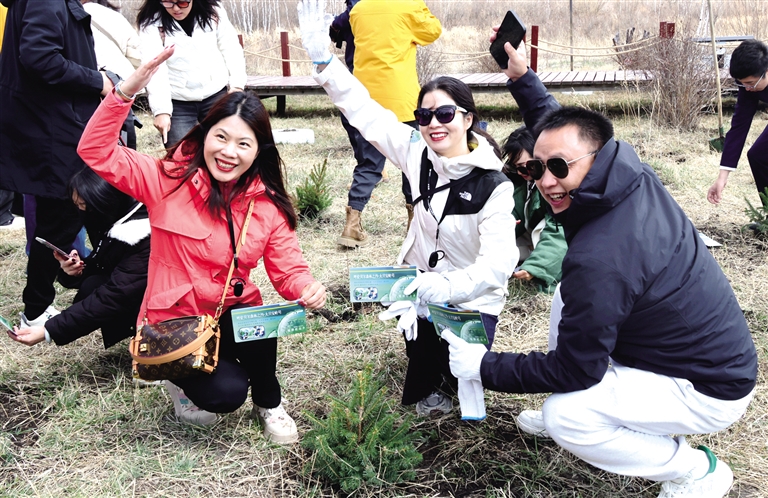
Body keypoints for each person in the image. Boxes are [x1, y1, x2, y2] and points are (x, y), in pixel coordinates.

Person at [442, 37, 758, 498]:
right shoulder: (626, 172)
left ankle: (695, 469)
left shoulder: (601, 255)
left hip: (706, 387)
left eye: (558, 169)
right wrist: (522, 79)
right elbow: (562, 133)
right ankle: (611, 409)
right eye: (536, 169)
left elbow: (576, 369)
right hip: (684, 353)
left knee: (567, 415)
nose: (547, 181)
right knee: (567, 296)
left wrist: (485, 366)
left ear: (594, 159)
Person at [78, 45, 327, 440]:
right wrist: (125, 92)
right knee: (227, 394)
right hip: (174, 321)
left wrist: (306, 288)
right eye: (221, 137)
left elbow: (288, 269)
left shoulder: (266, 205)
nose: (228, 152)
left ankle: (269, 403)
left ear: (258, 151)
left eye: (243, 144)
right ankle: (178, 380)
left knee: (259, 322)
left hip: (228, 309)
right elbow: (95, 150)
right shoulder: (166, 180)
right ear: (204, 134)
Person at [298, 0, 517, 416]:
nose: (434, 123)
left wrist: (445, 288)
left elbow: (497, 265)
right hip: (420, 288)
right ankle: (426, 356)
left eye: (446, 113)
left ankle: (455, 362)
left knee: (461, 373)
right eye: (424, 115)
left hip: (472, 299)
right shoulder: (417, 152)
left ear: (468, 119)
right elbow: (366, 112)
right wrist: (324, 62)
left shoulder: (494, 185)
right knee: (424, 376)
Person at [0, 0, 115, 329]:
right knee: (61, 220)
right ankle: (37, 309)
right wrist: (97, 81)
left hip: (53, 127)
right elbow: (40, 57)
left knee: (64, 218)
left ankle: (62, 297)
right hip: (54, 131)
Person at [328, 0, 442, 247]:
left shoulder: (358, 11)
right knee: (413, 163)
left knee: (369, 164)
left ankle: (352, 224)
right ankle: (414, 222)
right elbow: (433, 31)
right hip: (403, 101)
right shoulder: (408, 6)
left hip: (366, 101)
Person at [8, 168, 150, 350]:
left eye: (83, 205)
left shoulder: (144, 237)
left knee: (97, 290)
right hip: (133, 291)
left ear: (105, 200)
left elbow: (114, 296)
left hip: (172, 307)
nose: (80, 211)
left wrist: (48, 330)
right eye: (77, 205)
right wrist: (77, 271)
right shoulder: (118, 217)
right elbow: (109, 267)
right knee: (91, 284)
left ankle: (157, 341)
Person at [136, 0, 246, 149]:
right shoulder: (151, 23)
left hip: (215, 92)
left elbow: (231, 48)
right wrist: (161, 110)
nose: (176, 8)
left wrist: (237, 86)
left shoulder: (214, 11)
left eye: (182, 2)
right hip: (177, 100)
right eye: (168, 2)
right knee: (179, 154)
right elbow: (155, 67)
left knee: (223, 146)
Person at [501, 126, 566, 292]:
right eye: (516, 167)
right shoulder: (517, 182)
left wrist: (535, 267)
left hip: (554, 243)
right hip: (528, 240)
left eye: (527, 167)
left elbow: (559, 230)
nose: (521, 172)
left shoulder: (555, 186)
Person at [707, 39, 768, 207]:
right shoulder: (747, 87)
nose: (746, 88)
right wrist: (722, 177)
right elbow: (739, 127)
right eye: (742, 83)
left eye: (750, 83)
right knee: (758, 156)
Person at [82, 0, 142, 149]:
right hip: (119, 89)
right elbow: (137, 55)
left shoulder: (62, 16)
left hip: (87, 91)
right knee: (120, 144)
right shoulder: (112, 15)